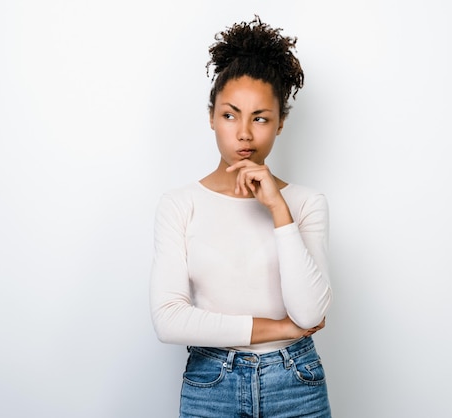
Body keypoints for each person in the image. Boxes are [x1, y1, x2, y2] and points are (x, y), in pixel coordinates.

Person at [150, 15, 333, 418]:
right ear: (211, 116)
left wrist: (277, 209)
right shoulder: (180, 204)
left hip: (295, 384)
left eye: (260, 118)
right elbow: (169, 319)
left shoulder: (305, 203)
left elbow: (310, 314)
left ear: (281, 123)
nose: (245, 133)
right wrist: (282, 329)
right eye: (231, 115)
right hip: (210, 383)